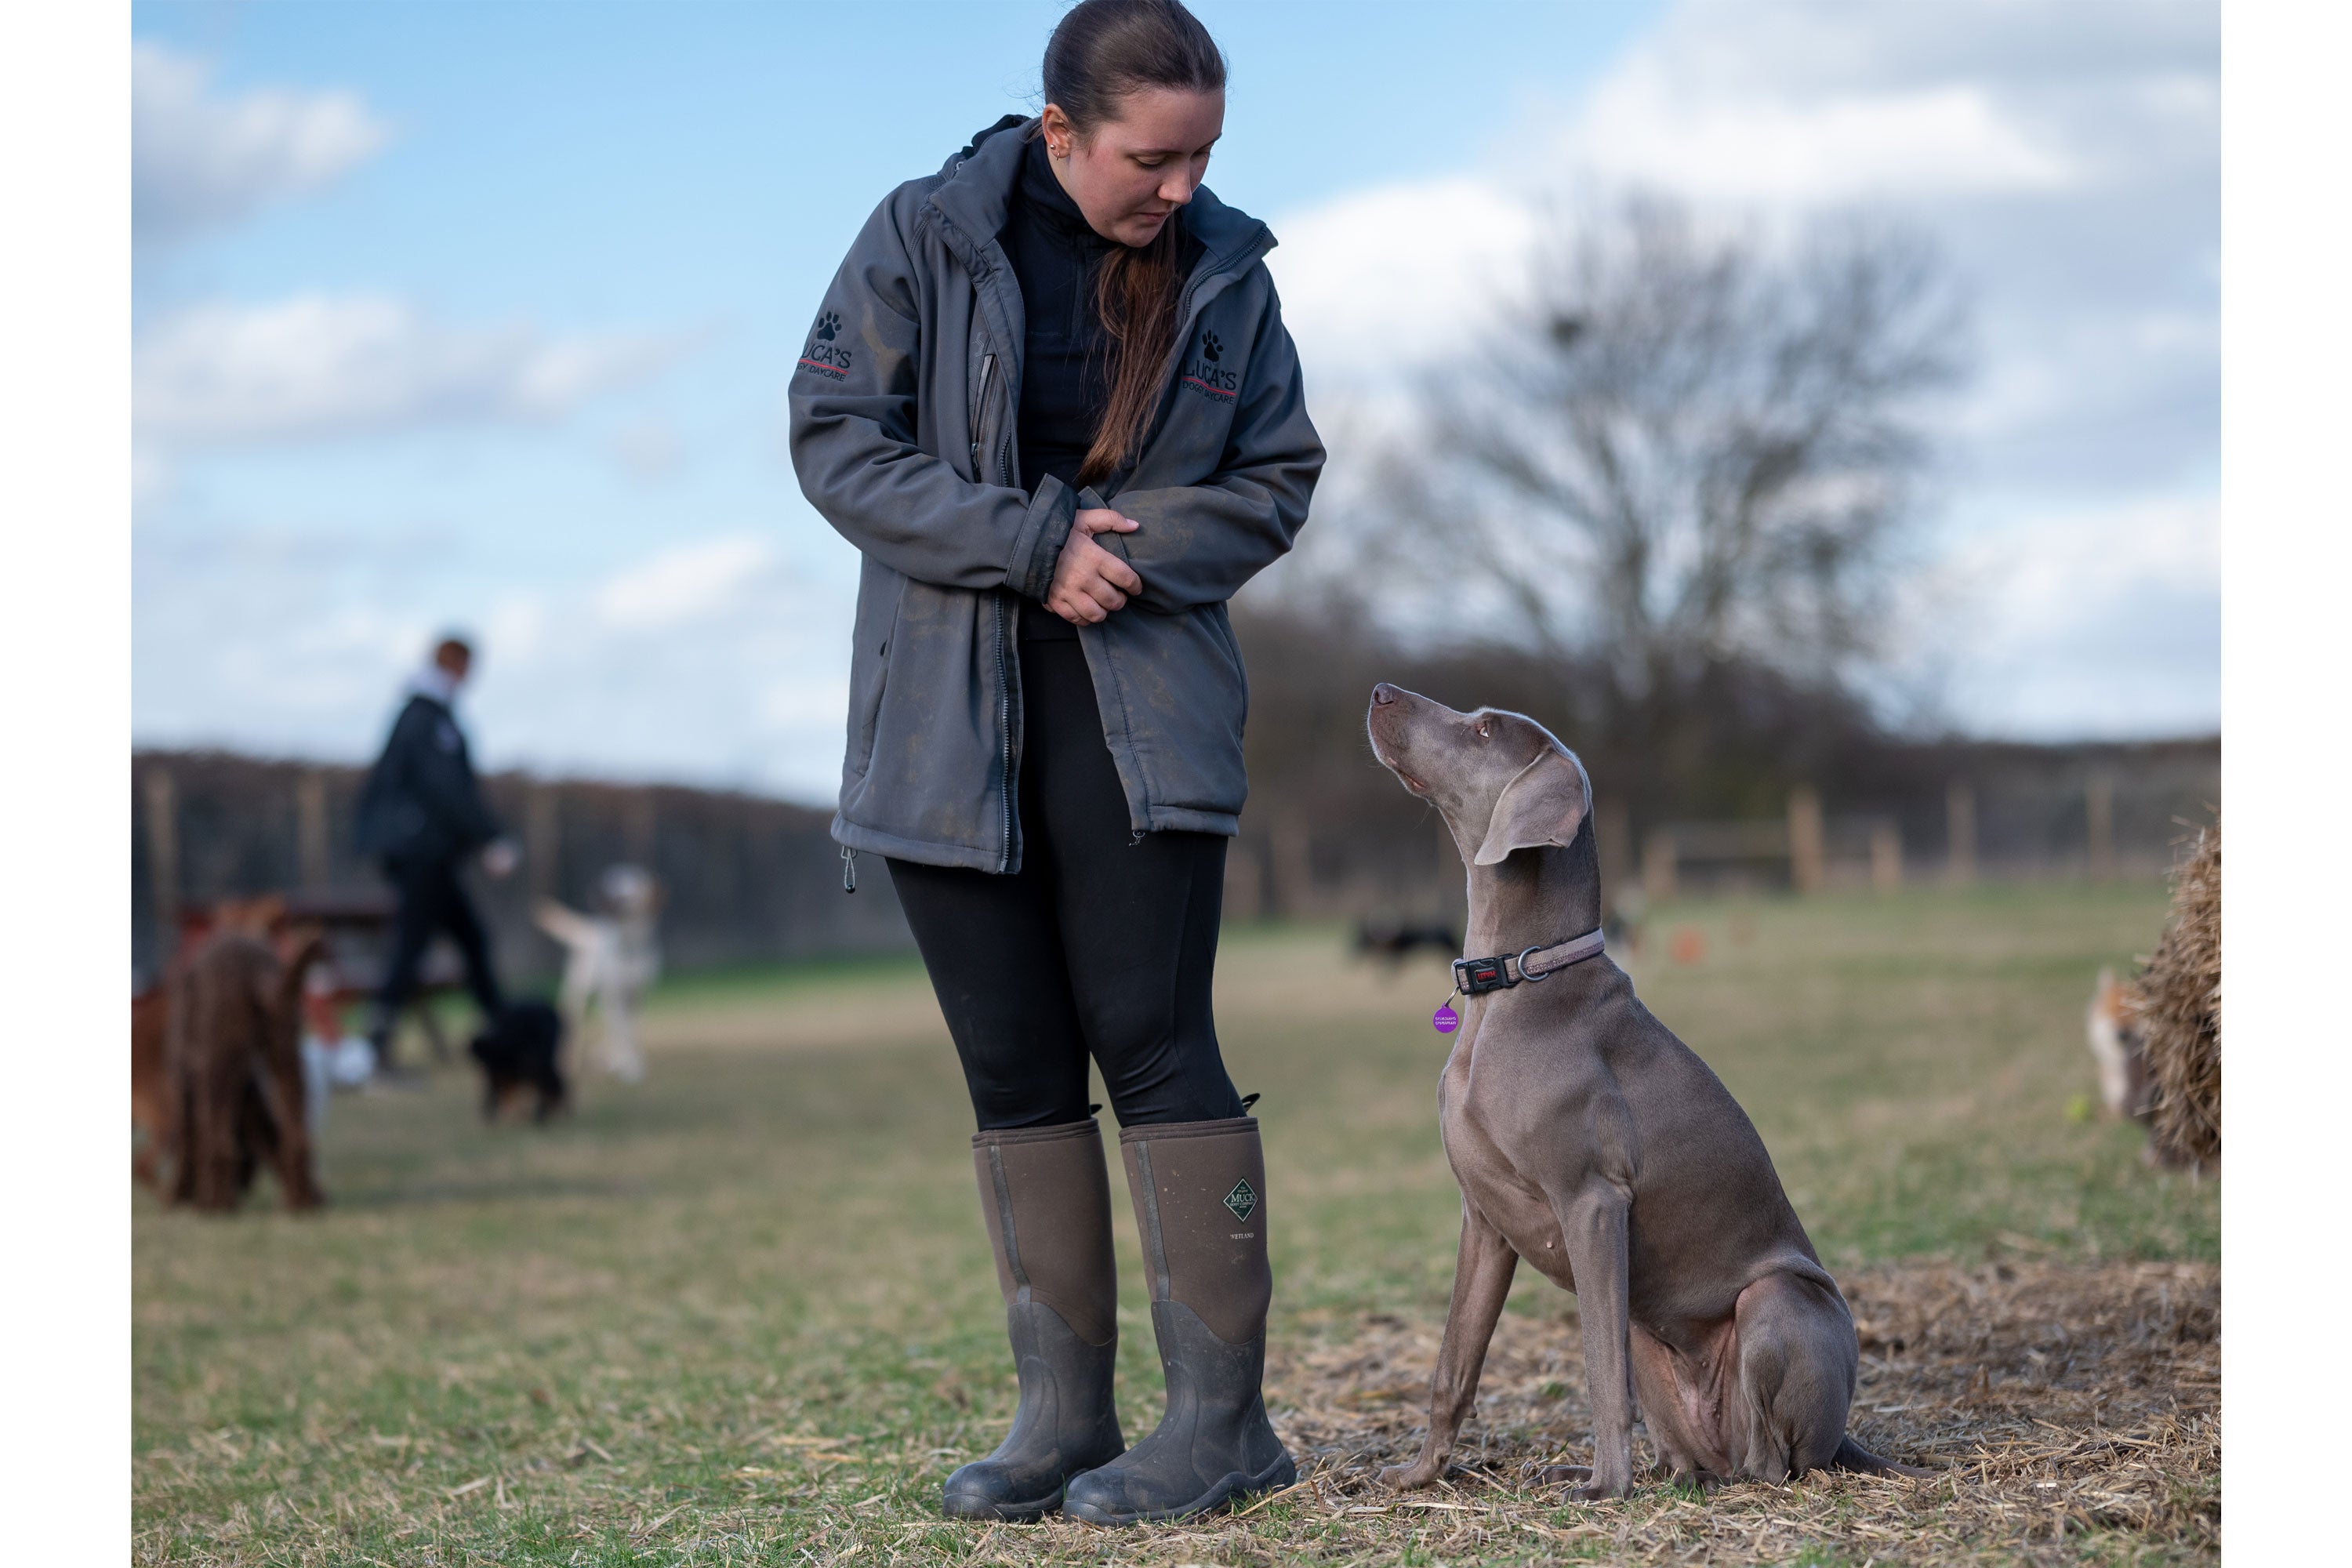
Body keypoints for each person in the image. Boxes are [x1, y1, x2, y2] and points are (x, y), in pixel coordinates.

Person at [789, 0, 1323, 1527]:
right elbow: (836, 436)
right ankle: (1063, 1417)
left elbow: (1277, 476)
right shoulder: (920, 235)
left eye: (1205, 154)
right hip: (940, 721)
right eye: (1154, 159)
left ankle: (1222, 1424)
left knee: (1158, 1046)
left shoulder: (1226, 272)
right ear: (1061, 132)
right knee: (1014, 1069)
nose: (1183, 188)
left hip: (1140, 709)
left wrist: (1120, 553)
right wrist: (1029, 542)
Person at [353, 634, 518, 1074]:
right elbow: (446, 788)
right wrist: (491, 838)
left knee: (469, 939)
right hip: (421, 852)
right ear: (458, 666)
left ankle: (502, 1026)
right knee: (414, 945)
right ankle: (374, 1045)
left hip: (428, 852)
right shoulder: (428, 718)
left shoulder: (424, 712)